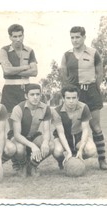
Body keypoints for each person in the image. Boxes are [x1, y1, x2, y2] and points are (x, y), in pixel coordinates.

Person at [60, 26, 107, 170]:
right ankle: (66, 158)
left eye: (77, 37)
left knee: (95, 126)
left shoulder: (93, 53)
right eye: (72, 37)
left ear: (84, 37)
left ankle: (102, 159)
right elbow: (63, 74)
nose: (75, 40)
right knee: (70, 126)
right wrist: (70, 91)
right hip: (74, 93)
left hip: (91, 92)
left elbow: (99, 73)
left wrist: (93, 87)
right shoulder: (67, 55)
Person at [0, 24, 38, 171]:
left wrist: (18, 71)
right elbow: (6, 70)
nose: (17, 39)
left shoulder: (30, 50)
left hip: (26, 89)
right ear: (10, 37)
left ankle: (27, 160)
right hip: (10, 90)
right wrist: (25, 68)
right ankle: (17, 163)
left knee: (25, 126)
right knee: (12, 127)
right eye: (14, 36)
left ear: (23, 35)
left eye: (20, 36)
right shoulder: (4, 50)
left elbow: (35, 72)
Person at [10, 84, 53, 177]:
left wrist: (45, 142)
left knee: (50, 145)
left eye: (38, 94)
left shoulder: (45, 108)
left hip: (33, 136)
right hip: (18, 137)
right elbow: (17, 134)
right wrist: (32, 145)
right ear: (26, 96)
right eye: (32, 94)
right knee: (20, 149)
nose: (35, 97)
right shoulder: (18, 108)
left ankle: (33, 165)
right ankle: (23, 165)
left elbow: (46, 131)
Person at [52, 86, 97, 169]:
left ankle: (76, 158)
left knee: (91, 150)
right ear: (63, 98)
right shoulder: (56, 111)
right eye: (68, 98)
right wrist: (68, 151)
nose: (71, 101)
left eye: (74, 98)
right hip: (63, 136)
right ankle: (61, 162)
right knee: (57, 151)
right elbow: (61, 133)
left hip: (78, 136)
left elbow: (85, 130)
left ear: (78, 98)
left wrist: (80, 150)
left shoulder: (84, 107)